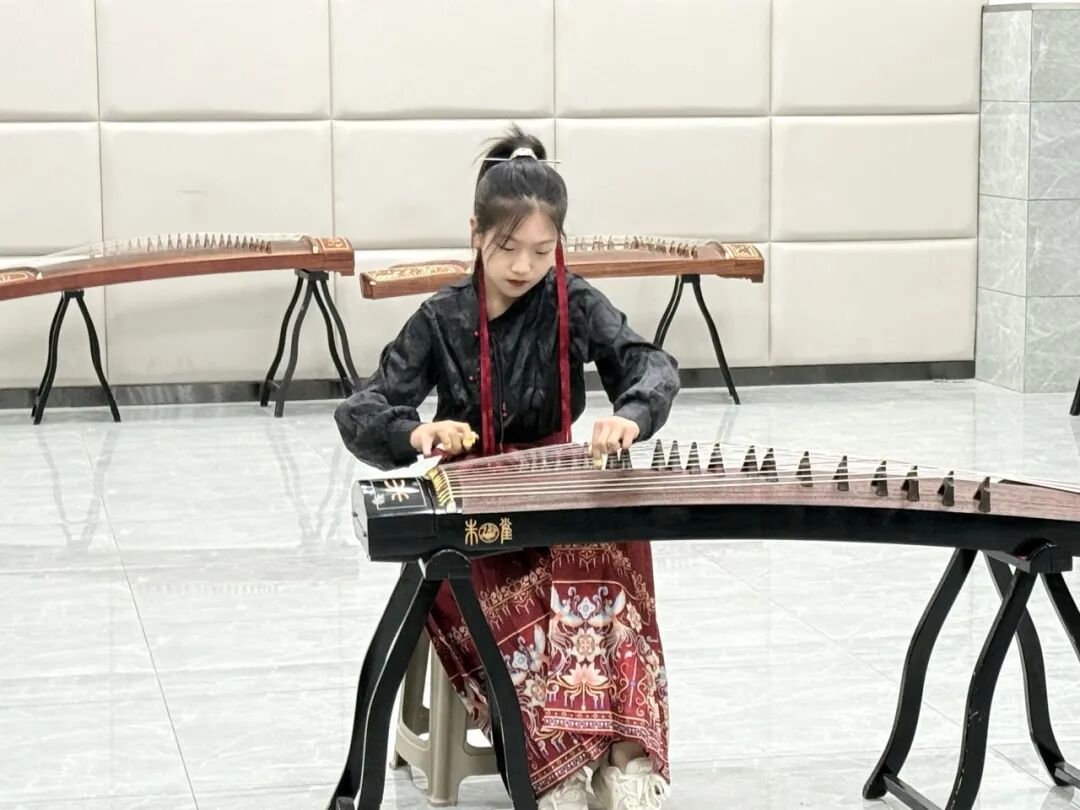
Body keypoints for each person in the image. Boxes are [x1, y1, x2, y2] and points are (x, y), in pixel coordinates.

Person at [335, 125, 680, 810]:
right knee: (520, 581)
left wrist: (631, 416)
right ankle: (553, 761)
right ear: (475, 233)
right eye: (507, 247)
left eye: (542, 251)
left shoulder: (574, 301)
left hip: (557, 479)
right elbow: (361, 409)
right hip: (474, 499)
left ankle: (624, 754)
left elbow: (648, 363)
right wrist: (417, 431)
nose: (525, 266)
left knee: (612, 542)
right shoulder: (442, 318)